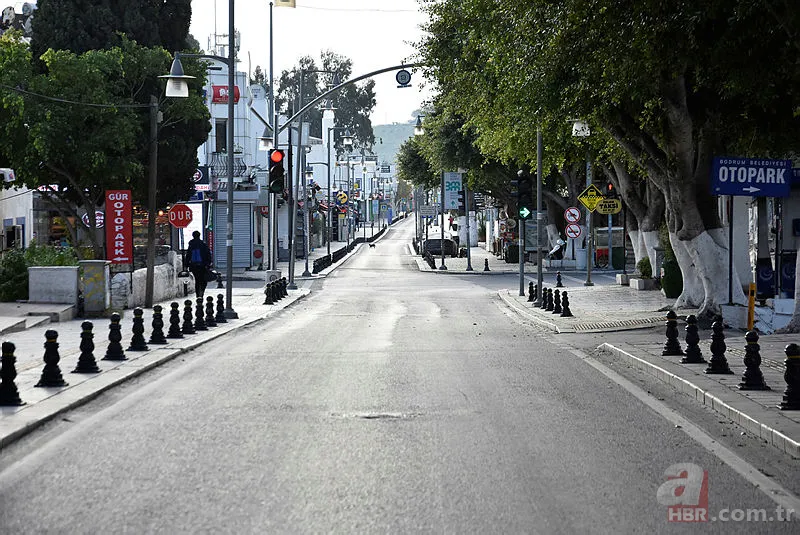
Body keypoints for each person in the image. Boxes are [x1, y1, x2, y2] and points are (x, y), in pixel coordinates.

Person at [184, 231, 212, 298]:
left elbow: (188, 255)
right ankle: (202, 292)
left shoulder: (191, 245)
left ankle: (198, 294)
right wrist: (208, 264)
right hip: (203, 265)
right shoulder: (203, 244)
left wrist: (186, 265)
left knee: (197, 280)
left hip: (194, 266)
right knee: (203, 280)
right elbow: (208, 254)